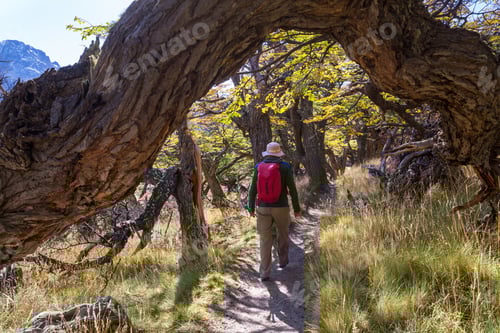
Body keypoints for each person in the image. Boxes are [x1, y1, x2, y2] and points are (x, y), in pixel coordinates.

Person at [248, 142, 301, 281]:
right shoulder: (285, 167)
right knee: (282, 234)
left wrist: (250, 208)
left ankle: (264, 272)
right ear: (279, 153)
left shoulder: (258, 167)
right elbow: (293, 190)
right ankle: (283, 261)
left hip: (263, 207)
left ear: (267, 152)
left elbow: (252, 189)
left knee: (265, 240)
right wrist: (297, 209)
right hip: (281, 207)